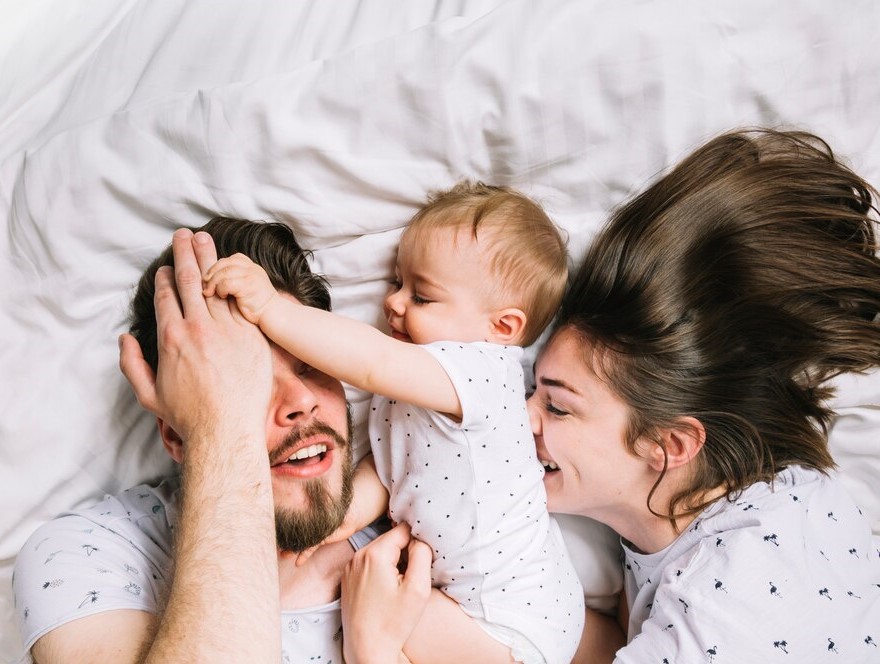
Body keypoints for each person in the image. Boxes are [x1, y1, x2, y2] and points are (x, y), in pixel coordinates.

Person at [346, 129, 880, 663]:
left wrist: (374, 645)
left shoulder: (743, 588)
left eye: (555, 406)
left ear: (669, 444)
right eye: (533, 392)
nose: (519, 417)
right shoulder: (732, 514)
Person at [202, 181, 586, 663]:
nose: (394, 304)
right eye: (395, 282)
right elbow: (389, 476)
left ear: (502, 328)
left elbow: (369, 360)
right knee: (385, 600)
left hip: (512, 617)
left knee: (381, 610)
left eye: (422, 296)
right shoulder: (415, 393)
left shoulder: (484, 373)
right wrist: (336, 524)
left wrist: (271, 309)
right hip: (482, 605)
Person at [12, 217, 425, 663]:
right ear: (176, 432)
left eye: (309, 362)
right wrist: (220, 426)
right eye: (253, 380)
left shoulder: (421, 532)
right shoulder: (87, 553)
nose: (302, 400)